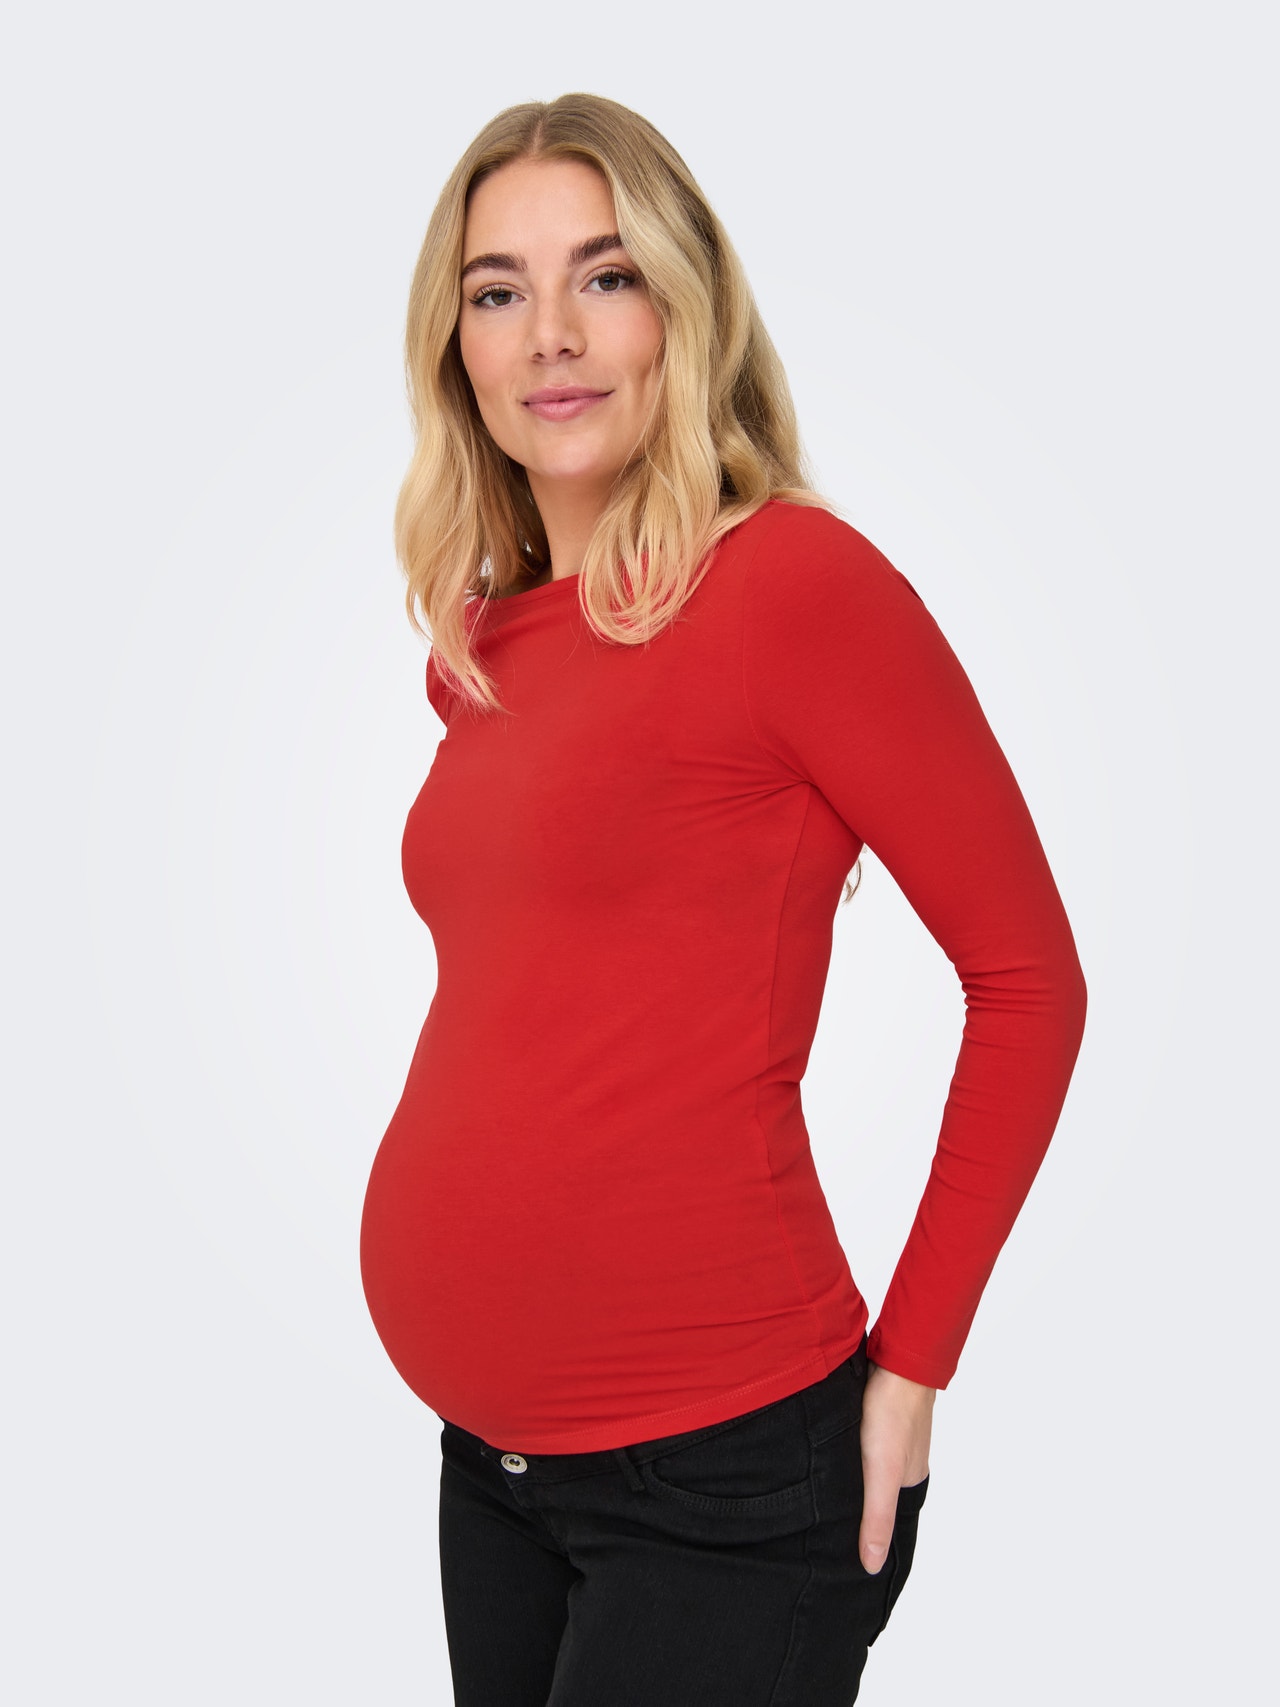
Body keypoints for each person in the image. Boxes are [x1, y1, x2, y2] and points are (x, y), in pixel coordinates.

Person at [359, 92, 1087, 1707]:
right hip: (492, 1470)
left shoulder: (793, 589)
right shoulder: (484, 644)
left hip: (723, 1485)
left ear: (682, 310)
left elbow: (1031, 980)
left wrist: (914, 1367)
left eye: (604, 276)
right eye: (498, 290)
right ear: (456, 347)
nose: (551, 334)